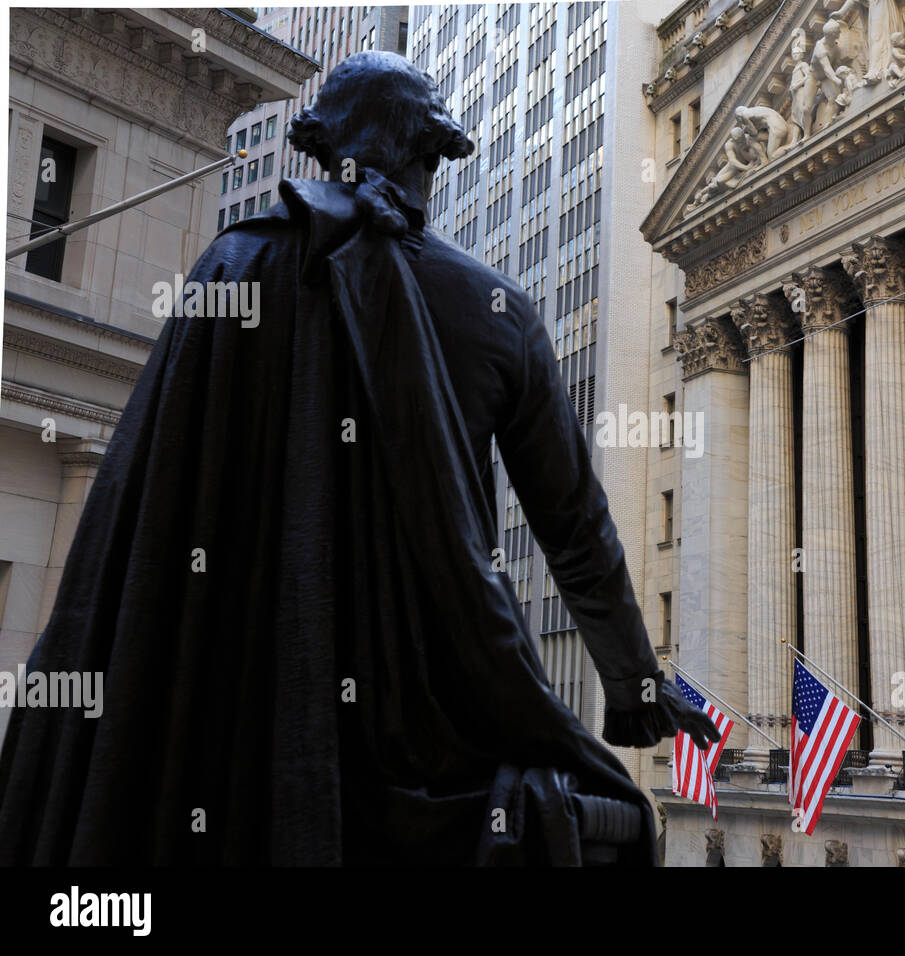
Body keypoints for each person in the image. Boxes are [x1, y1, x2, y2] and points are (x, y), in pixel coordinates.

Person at [0, 51, 718, 866]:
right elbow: (576, 529)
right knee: (615, 818)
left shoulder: (233, 268)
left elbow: (134, 513)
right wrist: (634, 688)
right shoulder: (499, 310)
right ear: (428, 156)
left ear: (318, 147)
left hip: (237, 708)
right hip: (437, 723)